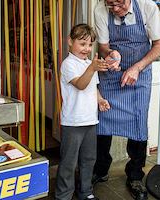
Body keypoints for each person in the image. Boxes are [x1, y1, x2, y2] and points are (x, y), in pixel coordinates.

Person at [93, 0, 160, 199]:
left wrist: (137, 67)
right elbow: (103, 47)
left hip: (139, 73)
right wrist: (110, 55)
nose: (116, 10)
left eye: (119, 4)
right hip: (112, 74)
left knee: (138, 123)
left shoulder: (147, 7)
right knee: (103, 120)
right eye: (111, 6)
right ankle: (100, 170)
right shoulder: (100, 9)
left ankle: (134, 175)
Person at [55, 24, 111, 200]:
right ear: (70, 42)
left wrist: (100, 100)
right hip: (73, 122)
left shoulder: (89, 63)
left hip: (90, 120)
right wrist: (92, 68)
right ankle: (63, 195)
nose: (86, 49)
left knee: (88, 160)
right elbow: (80, 84)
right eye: (82, 44)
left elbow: (93, 87)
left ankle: (86, 192)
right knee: (68, 163)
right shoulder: (68, 64)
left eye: (90, 45)